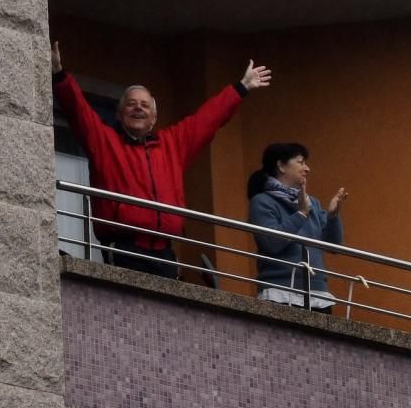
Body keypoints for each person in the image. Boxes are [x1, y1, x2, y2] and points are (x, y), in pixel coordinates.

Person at [51, 41, 271, 279]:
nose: (138, 109)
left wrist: (241, 88)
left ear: (154, 118)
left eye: (145, 105)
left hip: (165, 252)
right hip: (123, 248)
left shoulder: (171, 144)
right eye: (131, 104)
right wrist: (59, 76)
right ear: (119, 113)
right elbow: (78, 111)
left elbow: (207, 119)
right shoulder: (105, 142)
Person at [247, 143, 348, 314]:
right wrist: (301, 214)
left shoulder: (312, 203)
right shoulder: (262, 202)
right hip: (280, 292)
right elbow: (270, 243)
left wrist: (332, 216)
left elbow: (333, 246)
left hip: (318, 295)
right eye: (301, 162)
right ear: (281, 166)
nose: (307, 168)